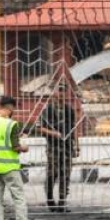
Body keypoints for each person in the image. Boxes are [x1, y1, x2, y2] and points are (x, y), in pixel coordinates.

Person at [0, 96, 38, 220]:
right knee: (18, 198)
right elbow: (15, 147)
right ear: (10, 108)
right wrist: (24, 147)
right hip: (9, 167)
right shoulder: (12, 124)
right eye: (14, 108)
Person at [38, 81, 78, 212]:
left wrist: (76, 145)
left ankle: (62, 202)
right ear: (54, 93)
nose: (61, 93)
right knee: (52, 174)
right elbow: (40, 128)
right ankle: (50, 198)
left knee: (65, 174)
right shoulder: (48, 110)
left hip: (67, 147)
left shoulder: (69, 110)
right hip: (53, 147)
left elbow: (74, 128)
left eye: (63, 91)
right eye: (59, 90)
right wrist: (53, 133)